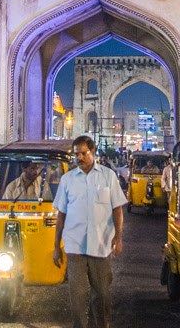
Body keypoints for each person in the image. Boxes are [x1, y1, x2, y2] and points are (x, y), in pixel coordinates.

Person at [53, 135, 127, 328]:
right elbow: (61, 215)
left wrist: (118, 238)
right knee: (77, 296)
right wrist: (56, 247)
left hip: (100, 246)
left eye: (83, 153)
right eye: (76, 154)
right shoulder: (67, 180)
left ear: (92, 152)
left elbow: (117, 209)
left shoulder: (108, 176)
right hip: (75, 246)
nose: (79, 158)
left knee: (101, 294)